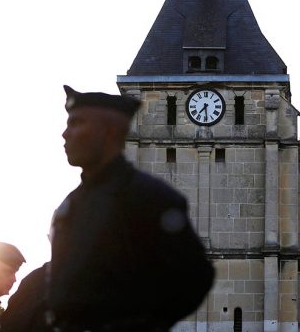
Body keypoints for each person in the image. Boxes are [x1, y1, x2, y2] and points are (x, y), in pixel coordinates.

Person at [47, 86, 215, 332]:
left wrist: (143, 325)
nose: (65, 134)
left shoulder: (150, 198)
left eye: (77, 123)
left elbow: (196, 277)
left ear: (109, 132)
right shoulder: (70, 204)